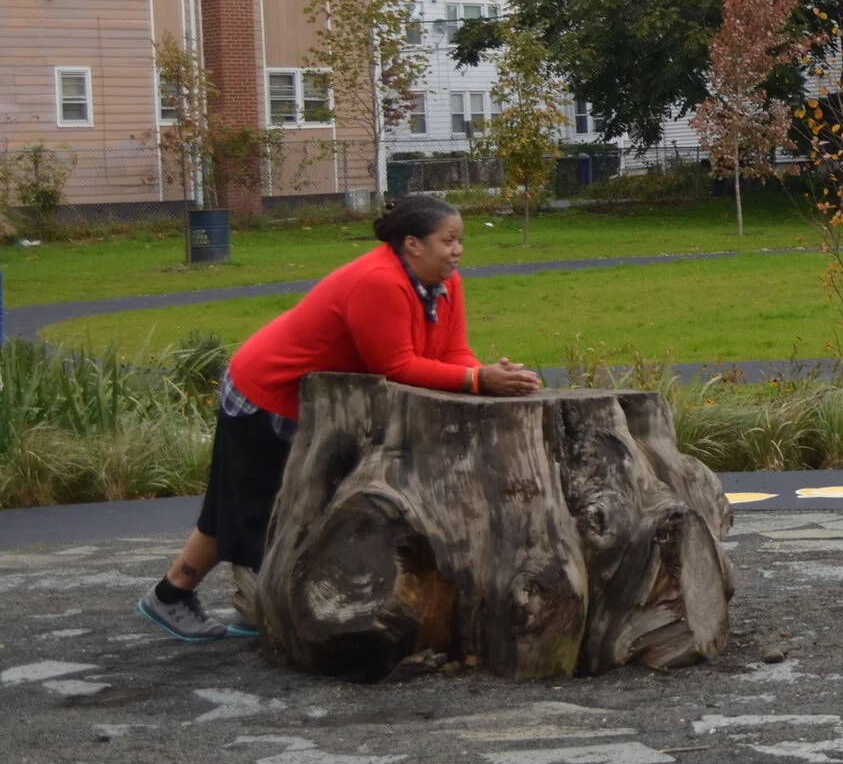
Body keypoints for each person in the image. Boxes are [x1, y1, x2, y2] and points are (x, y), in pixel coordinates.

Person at [136, 194, 542, 642]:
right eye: (449, 241)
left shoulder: (445, 283)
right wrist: (478, 379)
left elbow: (451, 351)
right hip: (268, 394)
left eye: (460, 240)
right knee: (266, 510)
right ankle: (241, 606)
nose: (458, 250)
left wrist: (480, 376)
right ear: (412, 244)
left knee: (240, 507)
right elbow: (397, 366)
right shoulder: (379, 282)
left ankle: (185, 596)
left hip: (308, 400)